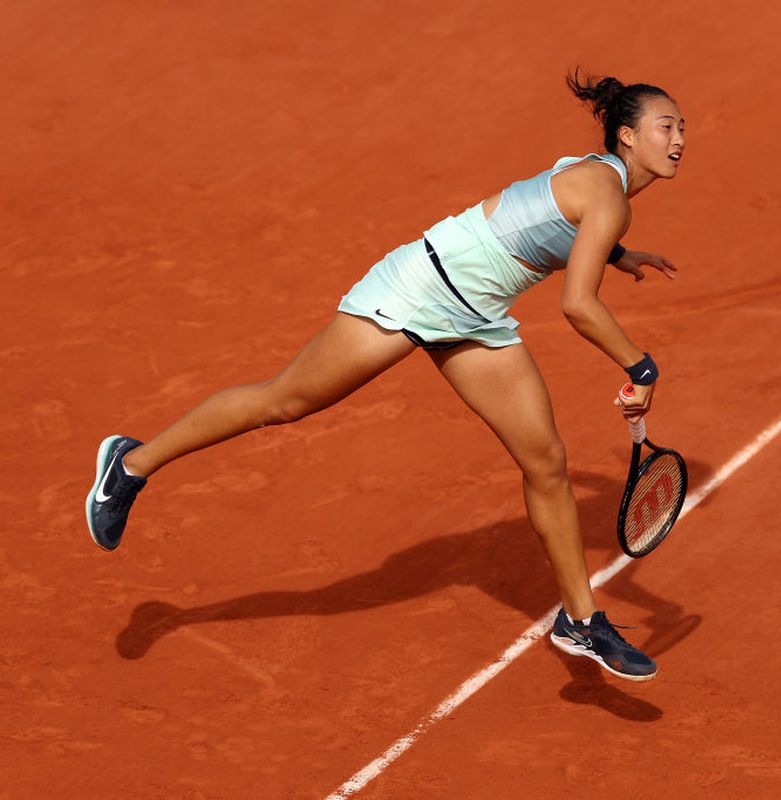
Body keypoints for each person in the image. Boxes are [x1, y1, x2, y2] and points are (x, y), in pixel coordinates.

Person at [85, 70, 685, 682]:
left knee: (546, 463)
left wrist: (615, 253)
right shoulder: (609, 196)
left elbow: (551, 211)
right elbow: (578, 304)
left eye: (683, 127)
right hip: (418, 289)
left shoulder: (603, 188)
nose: (680, 138)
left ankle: (581, 622)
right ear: (629, 137)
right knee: (285, 401)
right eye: (667, 126)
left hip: (476, 315)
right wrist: (641, 365)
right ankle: (131, 464)